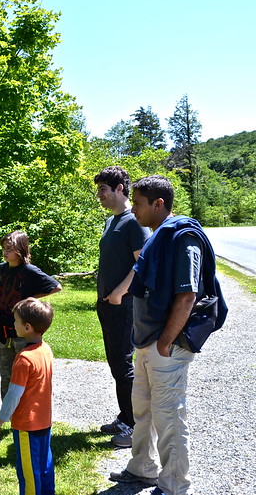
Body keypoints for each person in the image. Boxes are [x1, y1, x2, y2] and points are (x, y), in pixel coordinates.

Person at [110, 175, 220, 495]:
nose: (132, 209)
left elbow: (187, 295)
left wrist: (165, 341)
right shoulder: (157, 236)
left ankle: (173, 484)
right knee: (143, 410)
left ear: (159, 204)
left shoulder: (183, 238)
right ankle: (142, 467)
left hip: (165, 345)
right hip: (146, 343)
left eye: (139, 203)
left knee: (169, 417)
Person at [93, 166, 151, 448]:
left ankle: (134, 426)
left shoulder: (134, 222)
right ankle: (125, 416)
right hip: (107, 304)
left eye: (103, 189)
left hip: (124, 304)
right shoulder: (111, 222)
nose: (99, 195)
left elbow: (142, 263)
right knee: (117, 363)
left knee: (124, 365)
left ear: (119, 189)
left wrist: (118, 292)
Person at [0, 297, 55, 495]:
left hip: (26, 426)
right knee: (45, 465)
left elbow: (14, 394)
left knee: (29, 472)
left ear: (27, 327)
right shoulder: (45, 350)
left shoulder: (24, 358)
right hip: (44, 421)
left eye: (16, 321)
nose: (13, 324)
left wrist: (1, 418)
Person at [0, 230, 61, 399]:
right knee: (5, 372)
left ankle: (28, 414)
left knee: (25, 373)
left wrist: (28, 300)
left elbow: (56, 286)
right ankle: (8, 413)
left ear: (20, 250)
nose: (5, 252)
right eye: (4, 248)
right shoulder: (2, 269)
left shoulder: (29, 270)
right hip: (4, 329)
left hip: (22, 330)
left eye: (9, 249)